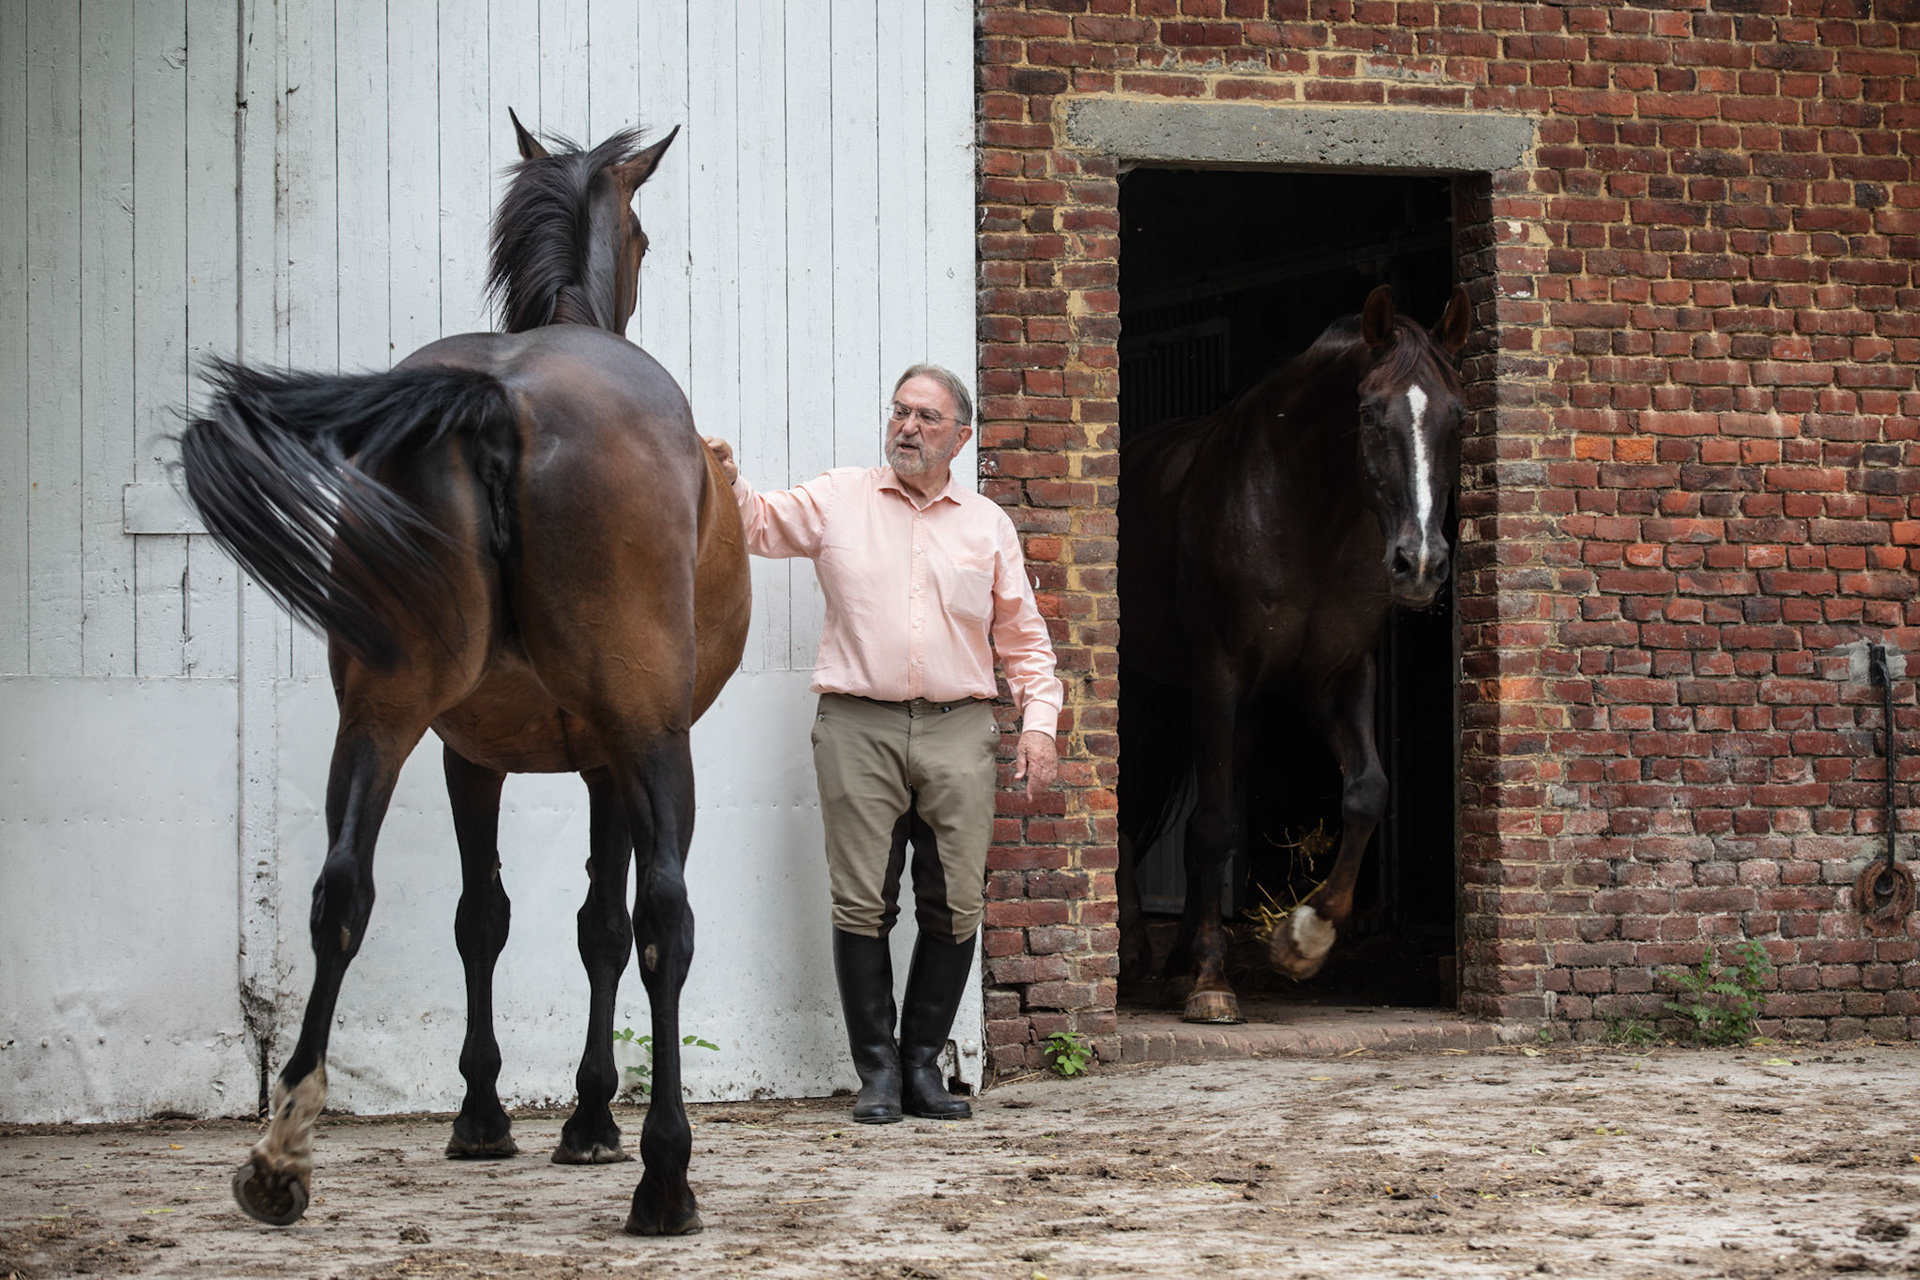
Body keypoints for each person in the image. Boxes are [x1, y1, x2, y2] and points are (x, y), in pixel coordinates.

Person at [704, 364, 1061, 1124]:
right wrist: (727, 481)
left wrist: (1038, 725)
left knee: (956, 901)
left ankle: (922, 1066)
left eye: (927, 418)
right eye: (900, 412)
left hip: (959, 727)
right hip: (857, 724)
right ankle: (877, 1074)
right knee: (862, 901)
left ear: (959, 438)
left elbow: (1024, 640)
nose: (907, 427)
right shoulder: (840, 497)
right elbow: (759, 524)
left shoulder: (985, 525)